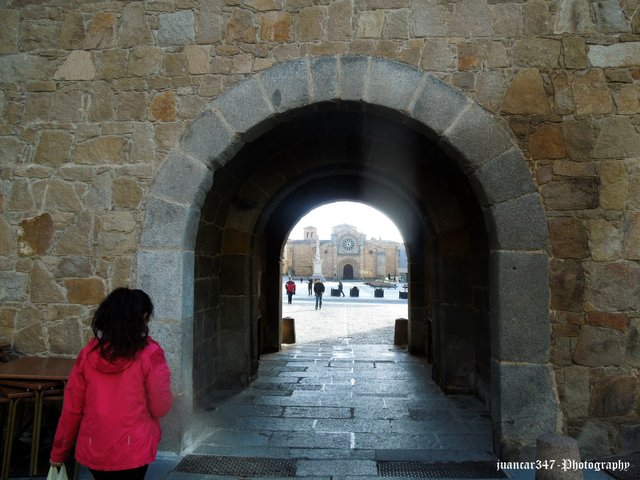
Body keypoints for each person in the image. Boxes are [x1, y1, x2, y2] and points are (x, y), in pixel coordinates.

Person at [50, 287, 173, 480]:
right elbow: (160, 406)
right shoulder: (150, 354)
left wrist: (58, 452)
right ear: (144, 317)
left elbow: (71, 409)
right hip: (135, 446)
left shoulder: (87, 355)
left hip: (95, 446)